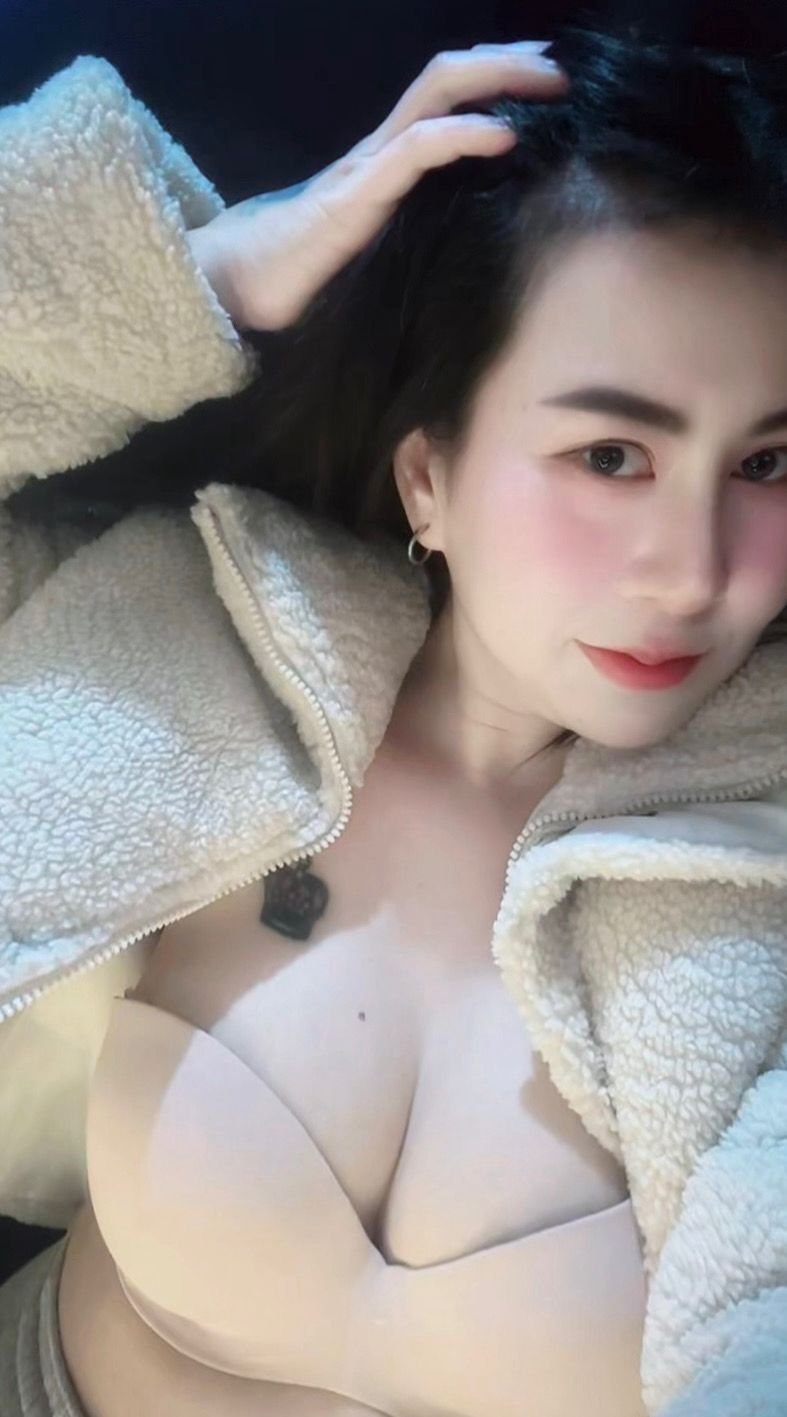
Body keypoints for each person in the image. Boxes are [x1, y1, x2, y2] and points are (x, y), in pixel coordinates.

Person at [0, 20, 785, 1417]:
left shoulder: (762, 858)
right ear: (431, 477)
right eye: (611, 453)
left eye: (771, 464)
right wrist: (207, 273)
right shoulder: (195, 643)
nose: (694, 571)